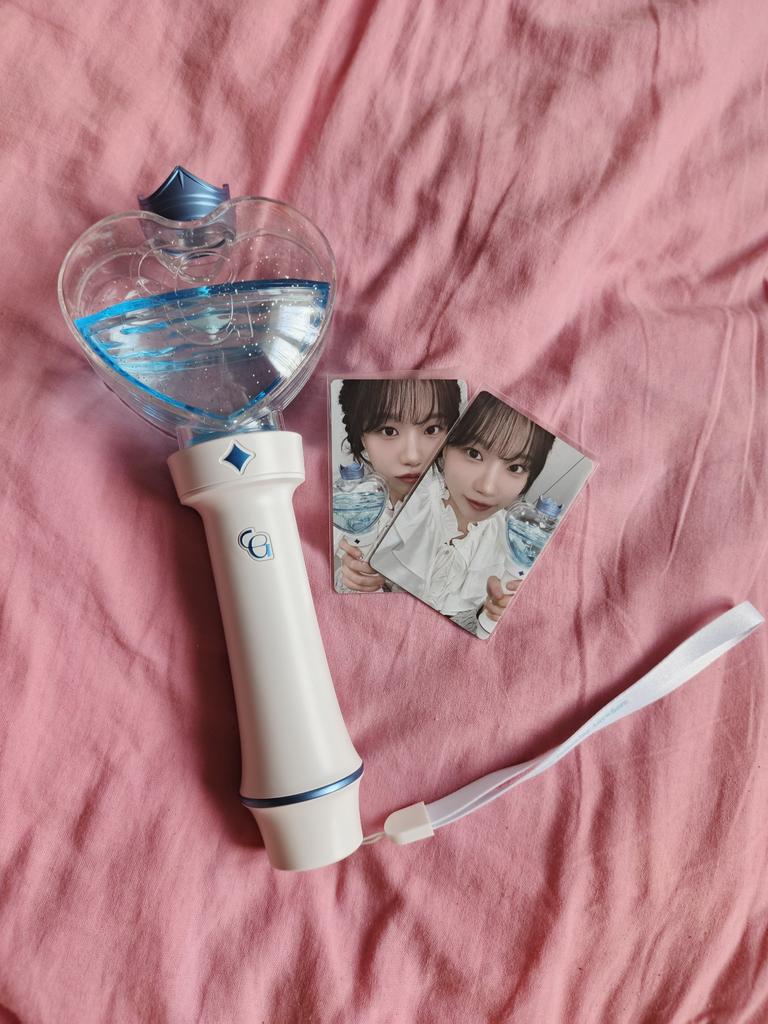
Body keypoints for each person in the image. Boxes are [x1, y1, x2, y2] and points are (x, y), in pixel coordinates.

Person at [369, 392, 555, 634]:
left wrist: (487, 615)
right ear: (445, 448)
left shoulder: (511, 542)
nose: (487, 487)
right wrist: (362, 581)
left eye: (515, 467)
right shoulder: (404, 500)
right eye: (474, 454)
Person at [334, 378, 463, 593]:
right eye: (388, 431)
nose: (412, 456)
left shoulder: (462, 513)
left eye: (431, 429)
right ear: (361, 436)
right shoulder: (347, 505)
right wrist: (353, 580)